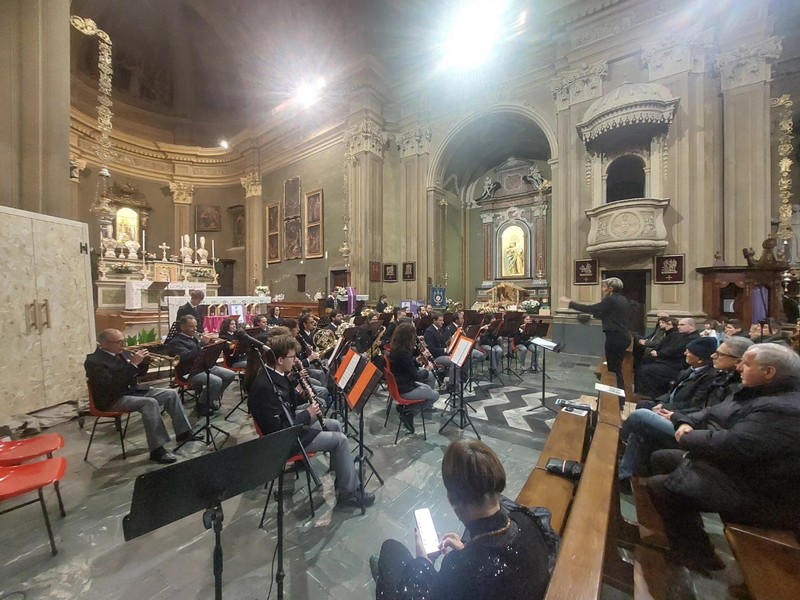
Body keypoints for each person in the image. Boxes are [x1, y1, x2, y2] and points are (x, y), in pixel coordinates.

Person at [646, 343, 800, 573]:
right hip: (742, 471)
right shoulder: (759, 391)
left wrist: (689, 437)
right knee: (662, 458)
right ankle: (685, 535)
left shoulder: (783, 408)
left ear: (769, 372)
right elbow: (713, 413)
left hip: (765, 494)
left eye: (747, 364)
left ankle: (697, 556)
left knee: (661, 488)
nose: (739, 368)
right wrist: (683, 419)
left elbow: (735, 445)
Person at [371, 439, 553, 600]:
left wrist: (423, 562)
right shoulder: (525, 520)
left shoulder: (460, 567)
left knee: (391, 550)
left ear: (453, 501)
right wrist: (467, 548)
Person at [248, 334, 375, 509]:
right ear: (279, 359)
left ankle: (341, 474)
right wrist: (308, 414)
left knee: (335, 425)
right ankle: (349, 494)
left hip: (294, 428)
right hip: (285, 440)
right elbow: (277, 427)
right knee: (341, 440)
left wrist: (302, 391)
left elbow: (288, 404)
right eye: (292, 357)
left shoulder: (276, 374)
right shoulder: (265, 386)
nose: (295, 361)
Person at [618, 336, 741, 488]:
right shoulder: (714, 376)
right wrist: (663, 405)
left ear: (739, 361)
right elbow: (674, 393)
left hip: (695, 430)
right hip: (685, 419)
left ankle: (618, 442)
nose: (714, 356)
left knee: (640, 415)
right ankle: (625, 475)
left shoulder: (717, 379)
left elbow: (704, 410)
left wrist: (675, 415)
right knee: (641, 430)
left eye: (720, 354)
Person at [85, 329, 199, 464]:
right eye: (119, 342)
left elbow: (138, 374)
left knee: (171, 393)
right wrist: (133, 364)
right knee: (149, 403)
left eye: (123, 341)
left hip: (131, 391)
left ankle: (183, 432)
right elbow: (111, 384)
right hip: (112, 398)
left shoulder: (120, 353)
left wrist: (144, 362)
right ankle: (157, 449)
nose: (123, 344)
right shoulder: (94, 361)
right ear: (104, 343)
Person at [560, 277, 630, 390]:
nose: (602, 289)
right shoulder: (623, 299)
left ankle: (617, 401)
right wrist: (597, 314)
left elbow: (590, 308)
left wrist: (570, 303)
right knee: (614, 368)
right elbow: (609, 315)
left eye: (604, 287)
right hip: (621, 336)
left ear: (610, 289)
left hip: (615, 337)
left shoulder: (610, 300)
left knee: (614, 370)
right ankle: (614, 399)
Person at [165, 315, 237, 415]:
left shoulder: (192, 338)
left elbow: (203, 353)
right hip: (189, 371)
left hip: (203, 366)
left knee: (230, 375)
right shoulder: (176, 342)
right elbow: (186, 357)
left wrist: (212, 345)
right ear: (182, 327)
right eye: (191, 327)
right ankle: (202, 405)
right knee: (216, 381)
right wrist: (202, 343)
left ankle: (210, 399)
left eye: (195, 326)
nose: (195, 329)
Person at [388, 322, 440, 432]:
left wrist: (417, 360)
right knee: (435, 395)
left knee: (428, 389)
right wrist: (427, 369)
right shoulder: (404, 353)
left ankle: (407, 409)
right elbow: (416, 376)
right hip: (404, 388)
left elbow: (406, 365)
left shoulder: (396, 348)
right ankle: (409, 413)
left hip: (399, 383)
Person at [635, 317, 700, 398]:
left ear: (692, 326)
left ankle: (649, 396)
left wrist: (659, 353)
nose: (679, 326)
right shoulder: (684, 336)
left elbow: (676, 351)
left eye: (682, 325)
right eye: (679, 324)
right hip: (672, 363)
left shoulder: (693, 339)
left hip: (678, 367)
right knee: (646, 365)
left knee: (645, 370)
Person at [424, 312, 456, 388]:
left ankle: (458, 380)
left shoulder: (439, 329)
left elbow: (442, 343)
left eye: (443, 320)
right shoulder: (429, 331)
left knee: (458, 358)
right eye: (440, 320)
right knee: (453, 362)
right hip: (436, 357)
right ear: (434, 320)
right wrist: (445, 350)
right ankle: (452, 385)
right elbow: (432, 349)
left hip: (442, 354)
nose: (443, 322)